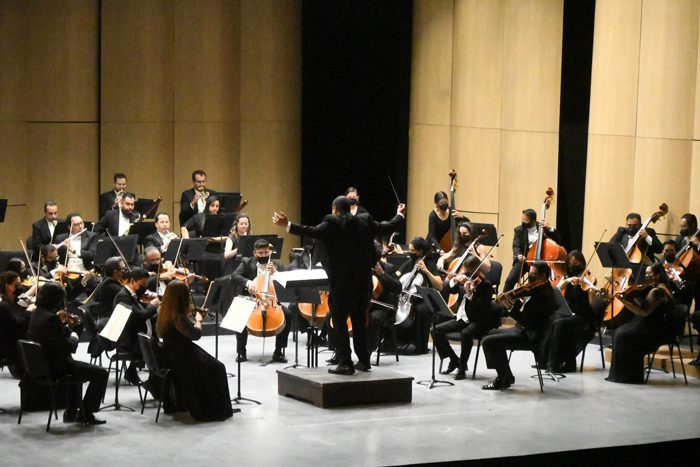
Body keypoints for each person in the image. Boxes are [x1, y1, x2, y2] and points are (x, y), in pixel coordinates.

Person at [273, 196, 405, 374]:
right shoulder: (365, 221)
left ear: (334, 209)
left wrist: (287, 224)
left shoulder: (331, 223)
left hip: (342, 285)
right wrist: (400, 215)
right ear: (350, 209)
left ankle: (345, 362)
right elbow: (387, 227)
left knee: (339, 321)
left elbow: (310, 231)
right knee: (359, 322)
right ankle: (364, 361)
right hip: (363, 283)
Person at [28, 282, 108, 425]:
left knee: (78, 372)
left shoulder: (37, 313)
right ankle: (86, 412)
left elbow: (53, 338)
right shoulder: (51, 319)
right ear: (57, 300)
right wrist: (75, 333)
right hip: (56, 367)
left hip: (42, 364)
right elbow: (68, 347)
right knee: (101, 373)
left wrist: (64, 325)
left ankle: (71, 412)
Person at [156, 280, 233, 422]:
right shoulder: (177, 317)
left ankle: (210, 404)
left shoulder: (165, 310)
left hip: (174, 352)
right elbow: (195, 335)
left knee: (214, 366)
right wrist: (198, 320)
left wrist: (190, 315)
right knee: (218, 368)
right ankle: (213, 408)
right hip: (182, 356)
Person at [481, 261, 558, 390]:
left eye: (534, 275)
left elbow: (527, 321)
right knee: (488, 334)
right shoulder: (536, 288)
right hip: (524, 330)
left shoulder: (544, 295)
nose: (530, 278)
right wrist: (515, 302)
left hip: (530, 336)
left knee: (489, 342)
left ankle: (502, 379)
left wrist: (510, 307)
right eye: (530, 274)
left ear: (544, 276)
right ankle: (505, 375)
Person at [432, 256, 499, 380]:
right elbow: (449, 290)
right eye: (466, 269)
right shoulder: (465, 279)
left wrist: (469, 293)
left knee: (466, 333)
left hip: (479, 320)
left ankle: (462, 368)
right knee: (435, 330)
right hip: (462, 318)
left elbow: (480, 309)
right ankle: (454, 360)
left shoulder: (486, 285)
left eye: (469, 270)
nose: (467, 272)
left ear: (477, 269)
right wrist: (455, 280)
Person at [606, 263, 675, 384]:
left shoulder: (657, 291)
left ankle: (627, 377)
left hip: (654, 331)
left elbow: (643, 312)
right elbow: (647, 306)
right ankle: (623, 375)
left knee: (622, 336)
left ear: (658, 274)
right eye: (646, 274)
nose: (647, 276)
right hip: (655, 326)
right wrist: (634, 298)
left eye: (650, 274)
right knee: (620, 332)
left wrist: (623, 300)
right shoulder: (664, 287)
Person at [231, 238, 291, 363]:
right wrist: (249, 283)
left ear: (269, 252)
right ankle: (241, 351)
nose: (263, 255)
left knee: (288, 315)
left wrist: (276, 273)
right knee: (239, 313)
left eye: (266, 253)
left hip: (271, 301)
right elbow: (235, 276)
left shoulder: (277, 265)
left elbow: (286, 282)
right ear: (254, 253)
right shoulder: (246, 262)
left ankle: (278, 351)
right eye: (260, 253)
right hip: (252, 300)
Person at [548, 251, 604, 373]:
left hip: (584, 317)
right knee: (551, 320)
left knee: (561, 324)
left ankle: (562, 362)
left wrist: (592, 293)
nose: (574, 267)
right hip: (569, 313)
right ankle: (547, 360)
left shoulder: (588, 279)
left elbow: (592, 305)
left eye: (577, 264)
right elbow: (556, 291)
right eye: (571, 264)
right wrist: (568, 281)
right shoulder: (567, 277)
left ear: (583, 263)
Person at [395, 236, 443, 355]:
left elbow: (440, 286)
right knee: (393, 308)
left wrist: (426, 271)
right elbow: (397, 274)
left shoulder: (430, 263)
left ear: (421, 251)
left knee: (421, 310)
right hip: (409, 298)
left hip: (425, 299)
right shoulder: (410, 261)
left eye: (413, 250)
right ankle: (398, 342)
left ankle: (420, 345)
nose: (410, 252)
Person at [113, 268, 160, 385]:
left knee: (159, 346)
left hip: (137, 336)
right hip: (129, 341)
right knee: (158, 352)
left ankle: (147, 377)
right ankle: (155, 383)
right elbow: (141, 316)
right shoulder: (123, 297)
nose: (145, 288)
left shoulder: (132, 294)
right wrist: (153, 306)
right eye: (143, 284)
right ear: (133, 281)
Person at [503, 208, 561, 292]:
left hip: (540, 261)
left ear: (533, 221)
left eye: (525, 220)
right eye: (522, 219)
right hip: (525, 260)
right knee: (510, 280)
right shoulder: (519, 230)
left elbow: (558, 239)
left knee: (542, 283)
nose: (522, 222)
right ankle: (503, 302)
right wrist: (518, 255)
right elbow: (516, 246)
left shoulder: (542, 227)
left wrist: (550, 228)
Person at [0, 271, 31, 378]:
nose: (20, 286)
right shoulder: (4, 306)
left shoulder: (18, 301)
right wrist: (28, 312)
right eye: (16, 284)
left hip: (21, 344)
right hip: (14, 351)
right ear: (7, 286)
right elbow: (18, 327)